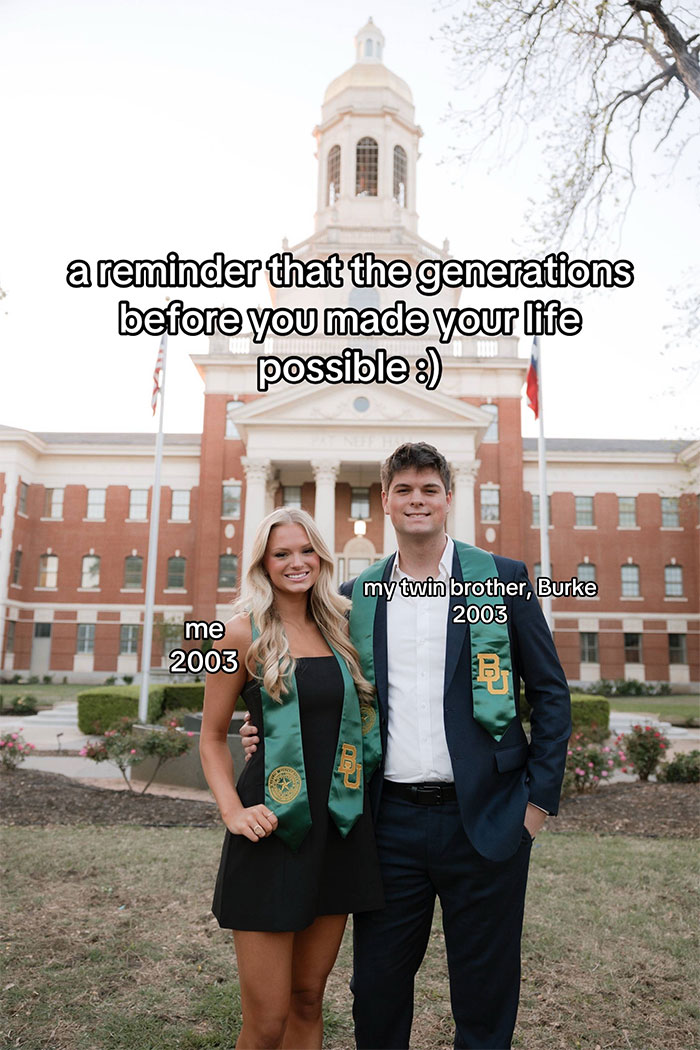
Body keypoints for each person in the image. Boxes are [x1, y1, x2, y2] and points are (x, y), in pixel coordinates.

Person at [242, 442, 572, 1050]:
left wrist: (538, 803)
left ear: (448, 498)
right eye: (404, 490)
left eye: (429, 489)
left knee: (485, 986)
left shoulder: (501, 579)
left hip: (490, 817)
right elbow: (327, 690)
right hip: (388, 821)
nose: (416, 500)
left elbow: (551, 695)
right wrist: (263, 727)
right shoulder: (358, 598)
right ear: (387, 501)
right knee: (377, 987)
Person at [200, 507, 384, 1050]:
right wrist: (233, 810)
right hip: (271, 832)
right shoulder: (239, 634)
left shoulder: (342, 627)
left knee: (308, 999)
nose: (296, 562)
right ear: (263, 562)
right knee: (267, 1018)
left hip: (339, 830)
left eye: (306, 551)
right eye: (282, 553)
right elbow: (211, 736)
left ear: (322, 557)